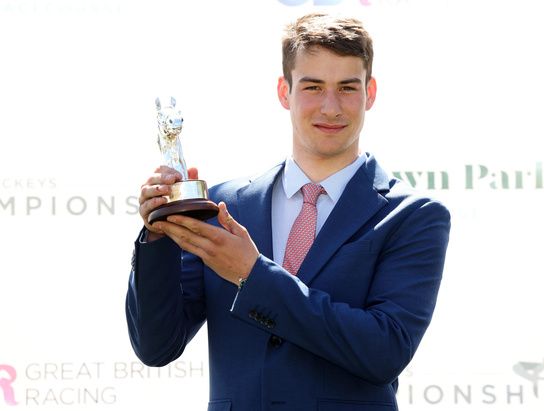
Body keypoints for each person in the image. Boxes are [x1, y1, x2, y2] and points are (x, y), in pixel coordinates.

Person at [126, 12, 450, 411]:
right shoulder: (226, 207)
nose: (330, 107)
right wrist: (158, 234)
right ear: (285, 91)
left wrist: (252, 274)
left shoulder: (412, 216)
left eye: (347, 87)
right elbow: (156, 346)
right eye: (313, 87)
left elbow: (384, 350)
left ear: (370, 92)